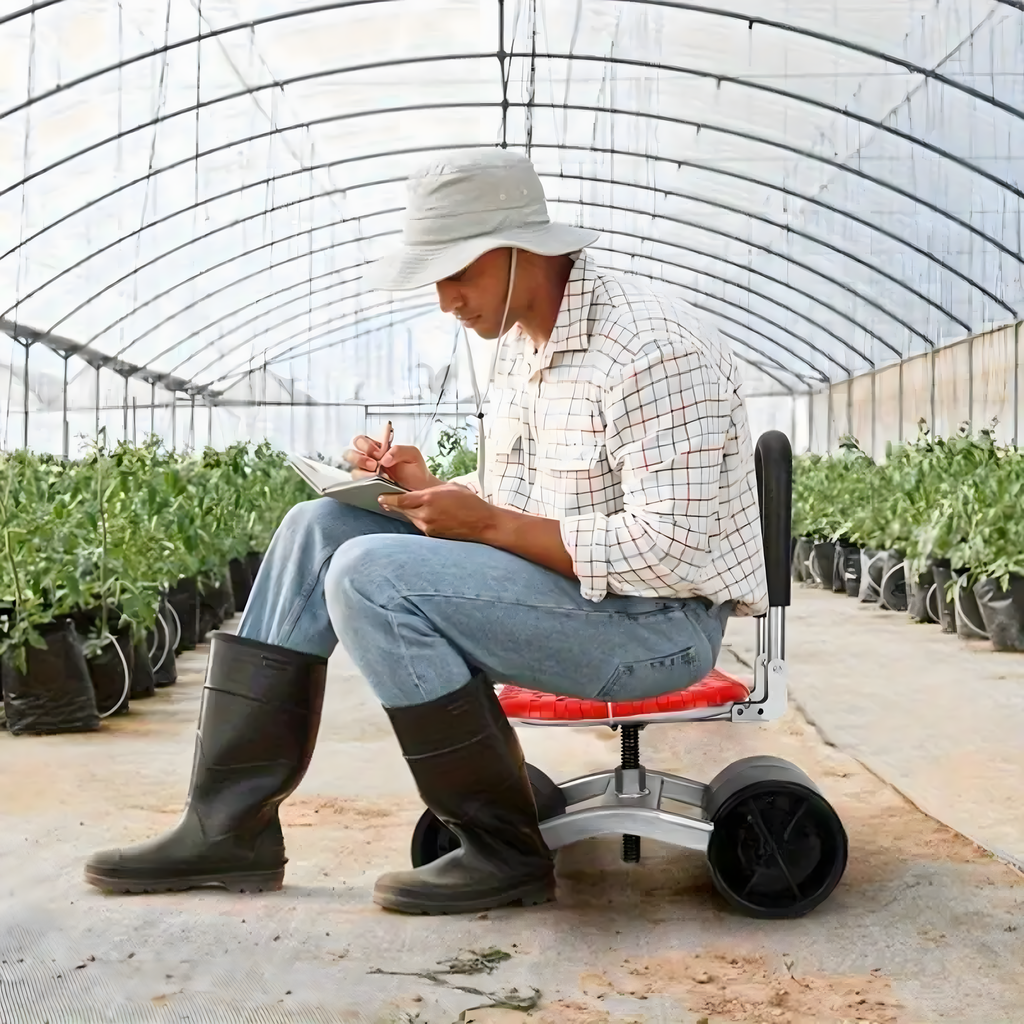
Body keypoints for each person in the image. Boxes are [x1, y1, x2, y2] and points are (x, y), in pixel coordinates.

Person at [84, 149, 768, 915]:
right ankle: (227, 827)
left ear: (518, 251)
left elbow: (667, 550)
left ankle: (501, 852)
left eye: (455, 274)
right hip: (580, 596)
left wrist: (485, 522)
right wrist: (429, 489)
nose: (445, 301)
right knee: (321, 527)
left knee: (369, 575)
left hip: (653, 627)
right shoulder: (520, 343)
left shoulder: (654, 350)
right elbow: (525, 498)